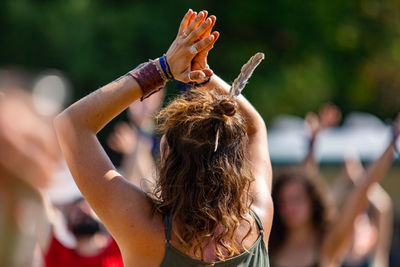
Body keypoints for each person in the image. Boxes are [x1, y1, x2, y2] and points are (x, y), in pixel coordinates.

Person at [54, 9, 273, 267]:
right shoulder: (257, 220)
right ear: (236, 160)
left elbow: (72, 125)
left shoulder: (144, 231)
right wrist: (204, 75)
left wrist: (164, 68)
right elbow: (254, 127)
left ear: (166, 152)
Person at [269, 113, 400, 267]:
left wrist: (393, 141)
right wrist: (312, 145)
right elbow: (304, 178)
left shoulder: (328, 243)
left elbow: (362, 191)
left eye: (297, 199)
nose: (290, 208)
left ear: (312, 201)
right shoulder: (272, 246)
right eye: (283, 201)